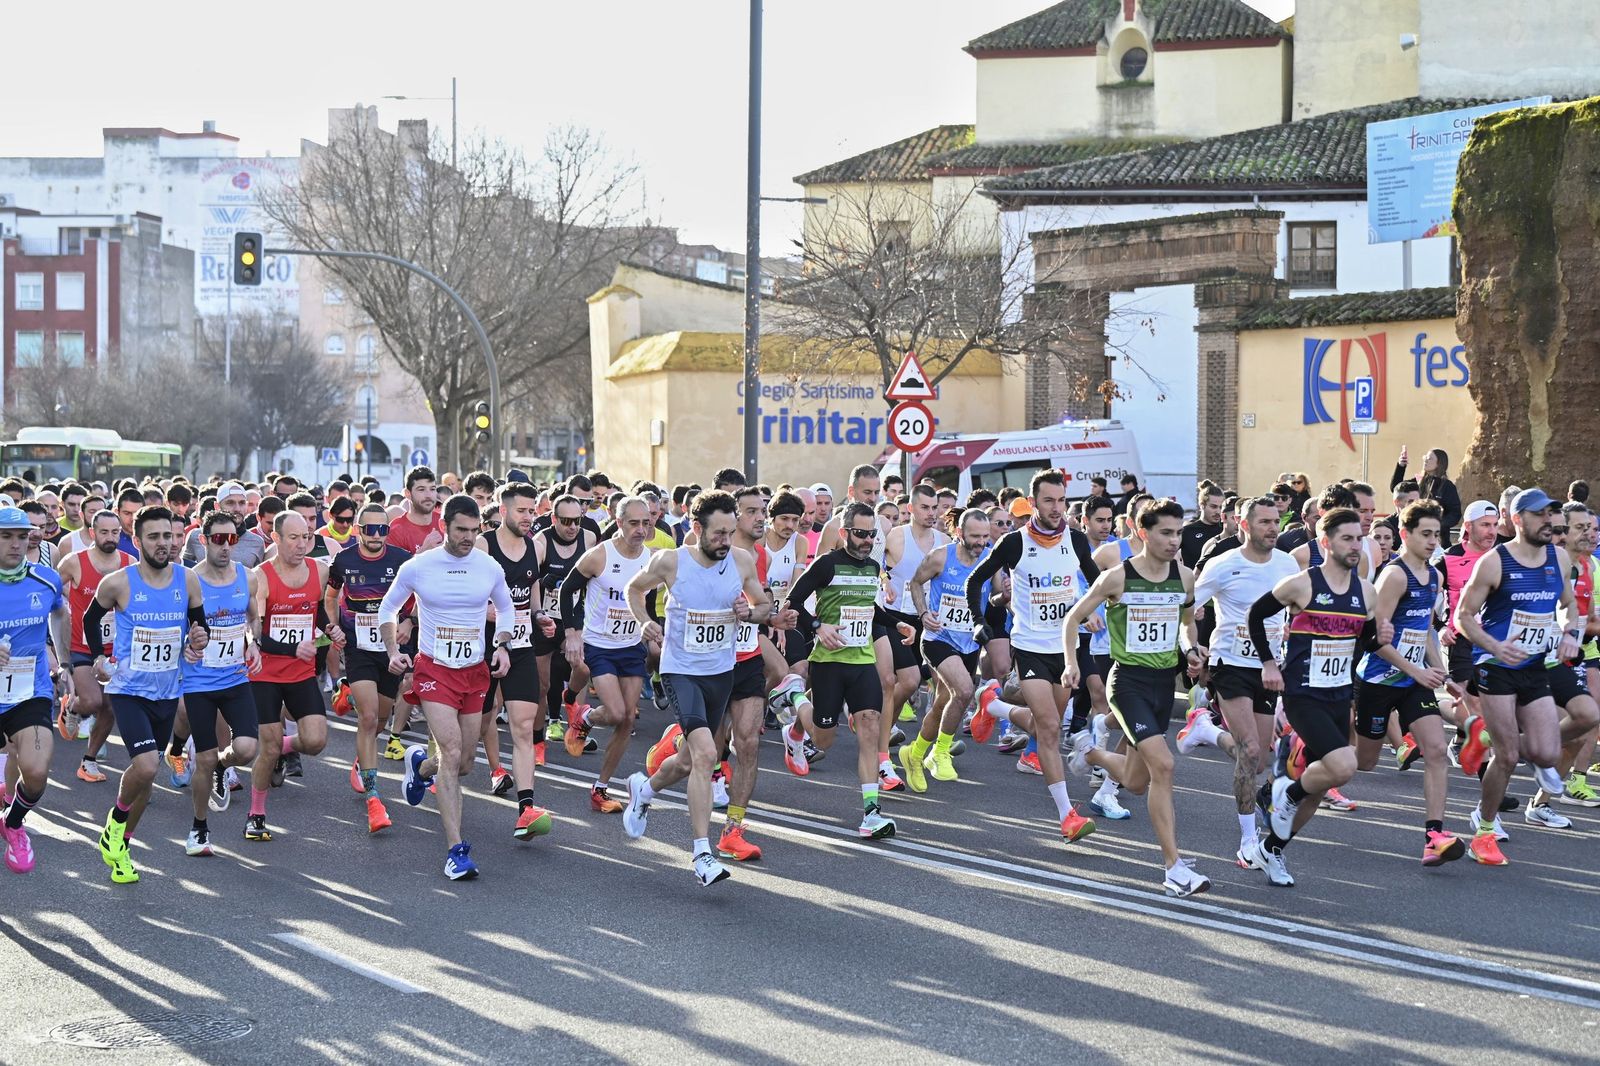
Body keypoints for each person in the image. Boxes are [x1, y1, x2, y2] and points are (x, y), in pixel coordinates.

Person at [620, 490, 776, 886]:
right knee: (708, 754)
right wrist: (643, 621)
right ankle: (702, 853)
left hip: (720, 672)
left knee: (690, 760)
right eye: (719, 533)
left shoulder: (741, 561)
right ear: (696, 529)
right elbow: (634, 590)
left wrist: (750, 612)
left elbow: (762, 607)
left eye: (730, 531)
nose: (726, 540)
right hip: (681, 670)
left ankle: (645, 788)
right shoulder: (671, 561)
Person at [1064, 499, 1212, 897]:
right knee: (1163, 766)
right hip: (1127, 682)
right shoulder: (1117, 577)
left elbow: (1185, 626)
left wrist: (1192, 648)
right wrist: (1070, 664)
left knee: (1135, 780)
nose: (1174, 540)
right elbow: (1073, 617)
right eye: (1166, 532)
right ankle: (1174, 868)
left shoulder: (1184, 577)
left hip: (1165, 685)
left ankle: (1089, 751)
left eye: (1178, 533)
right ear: (1143, 533)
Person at [1454, 488, 1595, 864]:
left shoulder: (1559, 557)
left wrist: (1568, 634)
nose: (1549, 521)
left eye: (1551, 514)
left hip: (1534, 664)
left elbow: (1568, 604)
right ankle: (1484, 829)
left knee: (1547, 752)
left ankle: (1483, 734)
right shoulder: (1495, 562)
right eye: (1540, 515)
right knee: (1508, 756)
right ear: (1517, 520)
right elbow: (1463, 617)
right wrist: (1494, 646)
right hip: (1496, 666)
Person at [1246, 508, 1386, 887]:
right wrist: (1268, 664)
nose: (1356, 546)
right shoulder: (1302, 585)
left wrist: (1379, 638)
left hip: (1339, 695)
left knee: (1320, 784)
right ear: (1326, 543)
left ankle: (1271, 848)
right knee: (1344, 766)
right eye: (1347, 538)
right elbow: (1256, 615)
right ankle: (1286, 791)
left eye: (1359, 538)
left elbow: (1366, 642)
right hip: (1302, 694)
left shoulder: (1367, 593)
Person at [380, 494, 516, 880]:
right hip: (433, 670)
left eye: (475, 531)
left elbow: (506, 608)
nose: (468, 538)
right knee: (453, 750)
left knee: (465, 763)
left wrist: (502, 644)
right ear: (444, 526)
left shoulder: (487, 566)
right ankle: (456, 851)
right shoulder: (420, 566)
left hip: (474, 671)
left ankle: (419, 766)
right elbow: (388, 609)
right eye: (461, 530)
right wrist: (393, 649)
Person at [964, 470, 1100, 845]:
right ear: (1033, 502)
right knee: (1051, 729)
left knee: (1047, 725)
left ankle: (993, 706)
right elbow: (974, 580)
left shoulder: (1075, 540)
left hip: (1066, 647)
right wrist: (979, 622)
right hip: (1029, 645)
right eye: (1048, 501)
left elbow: (1099, 582)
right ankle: (1067, 815)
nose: (1057, 508)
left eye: (1062, 501)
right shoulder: (1014, 543)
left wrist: (1093, 608)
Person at [83, 506, 211, 884]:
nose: (163, 543)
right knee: (147, 766)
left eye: (168, 536)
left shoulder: (187, 581)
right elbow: (91, 618)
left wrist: (197, 640)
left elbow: (198, 625)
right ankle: (115, 822)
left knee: (146, 777)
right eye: (153, 537)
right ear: (137, 541)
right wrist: (97, 658)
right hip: (128, 689)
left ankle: (120, 844)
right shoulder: (119, 583)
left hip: (167, 690)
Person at [773, 502, 898, 840]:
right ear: (844, 533)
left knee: (870, 725)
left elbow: (869, 608)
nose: (867, 540)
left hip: (861, 661)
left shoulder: (873, 567)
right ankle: (795, 700)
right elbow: (793, 602)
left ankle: (871, 812)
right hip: (828, 663)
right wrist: (817, 626)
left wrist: (900, 623)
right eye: (860, 534)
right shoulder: (827, 564)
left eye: (872, 534)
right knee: (824, 738)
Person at [1187, 496, 1298, 867]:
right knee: (1249, 751)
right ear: (1244, 524)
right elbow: (1189, 607)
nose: (1273, 528)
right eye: (1265, 521)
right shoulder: (1222, 564)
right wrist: (1191, 646)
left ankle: (1205, 730)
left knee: (1261, 760)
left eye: (1277, 521)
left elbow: (1300, 608)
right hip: (1229, 664)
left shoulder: (1287, 564)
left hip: (1269, 666)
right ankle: (1248, 841)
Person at [1352, 500, 1464, 866]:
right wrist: (1416, 671)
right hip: (1378, 681)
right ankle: (1304, 762)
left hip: (1413, 683)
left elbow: (1426, 630)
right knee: (1363, 762)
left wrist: (1440, 673)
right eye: (1426, 534)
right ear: (1406, 534)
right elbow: (1375, 640)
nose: (1434, 542)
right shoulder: (1394, 576)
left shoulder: (1434, 576)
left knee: (1435, 750)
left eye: (1438, 535)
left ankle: (1434, 835)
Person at [246, 511, 340, 842]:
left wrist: (329, 630)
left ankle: (280, 747)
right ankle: (256, 815)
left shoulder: (320, 569)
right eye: (293, 538)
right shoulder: (262, 576)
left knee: (315, 741)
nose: (302, 545)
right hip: (265, 673)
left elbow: (316, 611)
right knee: (267, 749)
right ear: (276, 538)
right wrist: (291, 650)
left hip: (300, 672)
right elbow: (254, 633)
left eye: (307, 538)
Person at [558, 496, 656, 812]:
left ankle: (600, 788)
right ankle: (584, 716)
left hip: (630, 645)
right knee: (614, 713)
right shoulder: (600, 555)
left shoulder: (652, 559)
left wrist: (652, 628)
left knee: (627, 719)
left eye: (646, 522)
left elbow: (646, 602)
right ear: (619, 523)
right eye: (634, 523)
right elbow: (567, 589)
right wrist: (572, 631)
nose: (641, 529)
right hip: (599, 644)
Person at [477, 481, 559, 841]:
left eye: (533, 510)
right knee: (464, 747)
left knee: (523, 729)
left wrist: (539, 613)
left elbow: (533, 586)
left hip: (522, 645)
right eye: (523, 511)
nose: (530, 517)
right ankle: (428, 768)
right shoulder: (484, 546)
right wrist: (487, 611)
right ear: (504, 510)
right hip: (481, 648)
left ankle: (526, 809)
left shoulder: (535, 546)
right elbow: (464, 592)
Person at [325, 502, 413, 832]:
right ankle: (374, 795)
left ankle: (362, 758)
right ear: (359, 530)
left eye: (382, 529)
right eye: (370, 529)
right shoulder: (344, 560)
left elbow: (419, 596)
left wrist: (408, 620)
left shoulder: (401, 561)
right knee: (368, 715)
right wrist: (333, 627)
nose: (376, 535)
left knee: (381, 717)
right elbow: (330, 596)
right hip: (359, 646)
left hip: (391, 648)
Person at [182, 510, 264, 856]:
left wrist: (253, 642)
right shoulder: (189, 581)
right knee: (202, 759)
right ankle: (199, 829)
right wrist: (185, 647)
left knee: (246, 748)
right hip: (199, 682)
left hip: (234, 677)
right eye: (218, 539)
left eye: (233, 539)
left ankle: (222, 765)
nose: (226, 546)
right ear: (204, 541)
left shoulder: (247, 577)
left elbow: (252, 616)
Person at [0, 506, 76, 874]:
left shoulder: (45, 580)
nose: (17, 544)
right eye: (6, 536)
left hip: (28, 691)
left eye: (22, 536)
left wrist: (64, 663)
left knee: (37, 771)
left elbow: (60, 612)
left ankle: (13, 823)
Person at [1393, 446, 1462, 544]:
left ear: (1439, 463)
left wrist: (1436, 524)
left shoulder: (1447, 486)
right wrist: (1401, 466)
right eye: (1425, 457)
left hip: (1438, 541)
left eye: (1429, 459)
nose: (1425, 460)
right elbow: (1396, 488)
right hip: (1414, 538)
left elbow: (1455, 514)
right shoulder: (1418, 482)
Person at [386, 466, 444, 554]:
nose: (428, 495)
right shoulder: (396, 530)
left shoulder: (445, 524)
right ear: (407, 494)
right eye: (421, 489)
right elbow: (395, 567)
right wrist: (423, 551)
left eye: (432, 489)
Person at [1180, 484, 1225, 569]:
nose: (1218, 511)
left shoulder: (1225, 530)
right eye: (1213, 507)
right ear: (1202, 505)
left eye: (1221, 507)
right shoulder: (1187, 531)